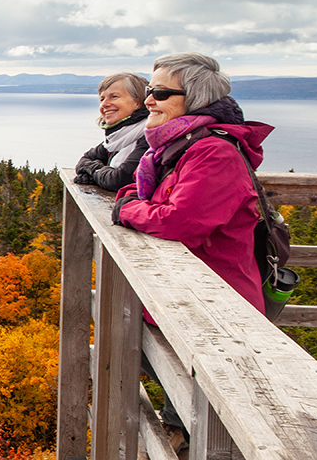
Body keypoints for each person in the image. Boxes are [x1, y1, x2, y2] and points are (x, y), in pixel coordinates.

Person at [111, 52, 273, 457]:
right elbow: (140, 193)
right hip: (183, 300)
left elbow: (179, 221)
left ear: (195, 99)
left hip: (216, 305)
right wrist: (133, 202)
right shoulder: (175, 148)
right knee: (175, 390)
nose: (149, 99)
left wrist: (127, 210)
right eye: (149, 90)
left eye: (161, 92)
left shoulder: (213, 153)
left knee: (205, 417)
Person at [74, 72, 150, 191]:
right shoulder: (117, 138)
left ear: (138, 102)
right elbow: (83, 161)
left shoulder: (149, 136)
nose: (104, 104)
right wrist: (100, 173)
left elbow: (119, 180)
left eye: (114, 96)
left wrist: (94, 171)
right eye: (102, 99)